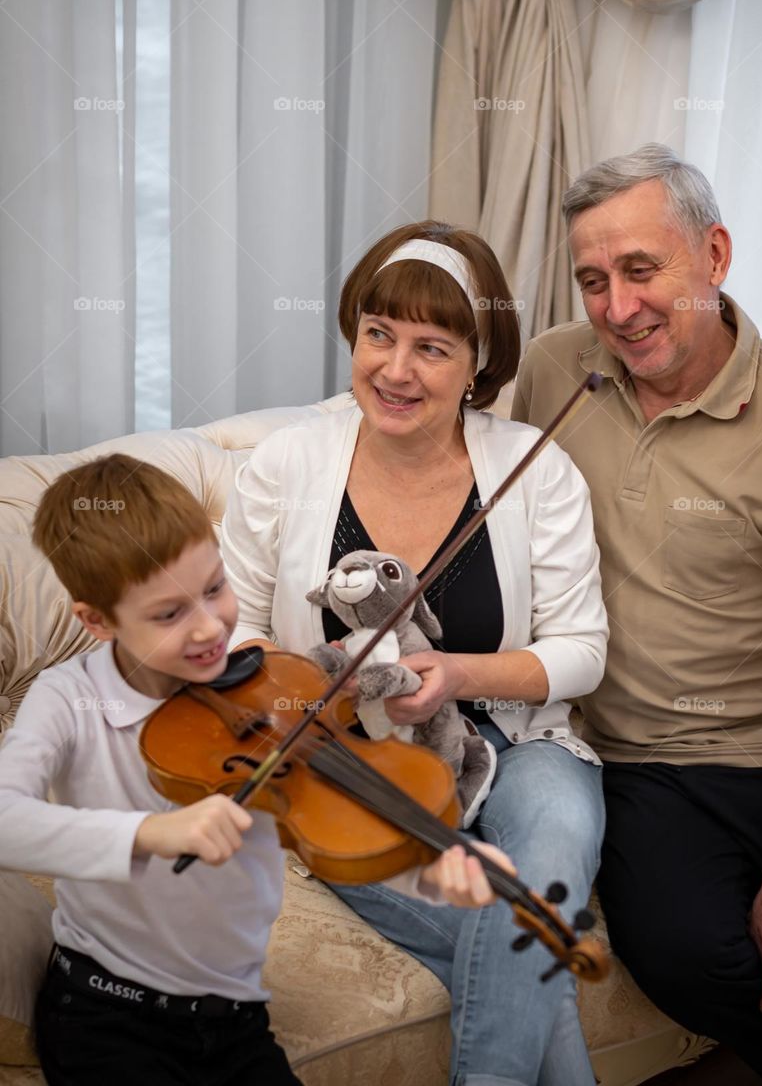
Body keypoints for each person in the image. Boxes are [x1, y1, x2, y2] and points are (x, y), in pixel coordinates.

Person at [221, 221, 609, 1086]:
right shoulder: (288, 463)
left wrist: (459, 674)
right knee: (527, 927)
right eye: (379, 335)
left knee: (555, 842)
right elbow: (232, 627)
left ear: (477, 363)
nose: (396, 370)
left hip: (518, 736)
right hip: (352, 753)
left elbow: (583, 651)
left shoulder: (536, 468)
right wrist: (318, 692)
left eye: (432, 348)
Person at [512, 143, 762, 1086]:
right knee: (688, 956)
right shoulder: (552, 370)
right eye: (593, 281)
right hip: (640, 762)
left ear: (715, 254)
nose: (618, 308)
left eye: (641, 269)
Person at [0, 454, 509, 1086]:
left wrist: (436, 867)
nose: (209, 627)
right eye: (168, 614)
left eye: (214, 588)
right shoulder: (69, 698)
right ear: (97, 620)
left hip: (236, 1018)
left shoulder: (268, 690)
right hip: (107, 1014)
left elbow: (327, 824)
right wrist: (148, 833)